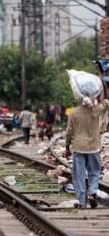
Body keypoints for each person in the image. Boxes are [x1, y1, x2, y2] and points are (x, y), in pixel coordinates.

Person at [66, 75, 109, 209]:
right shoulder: (97, 110)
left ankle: (82, 202)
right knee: (94, 172)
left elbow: (69, 132)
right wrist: (102, 83)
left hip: (78, 148)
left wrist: (67, 146)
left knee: (79, 175)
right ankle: (92, 191)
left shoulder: (73, 113)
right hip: (94, 147)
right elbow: (107, 99)